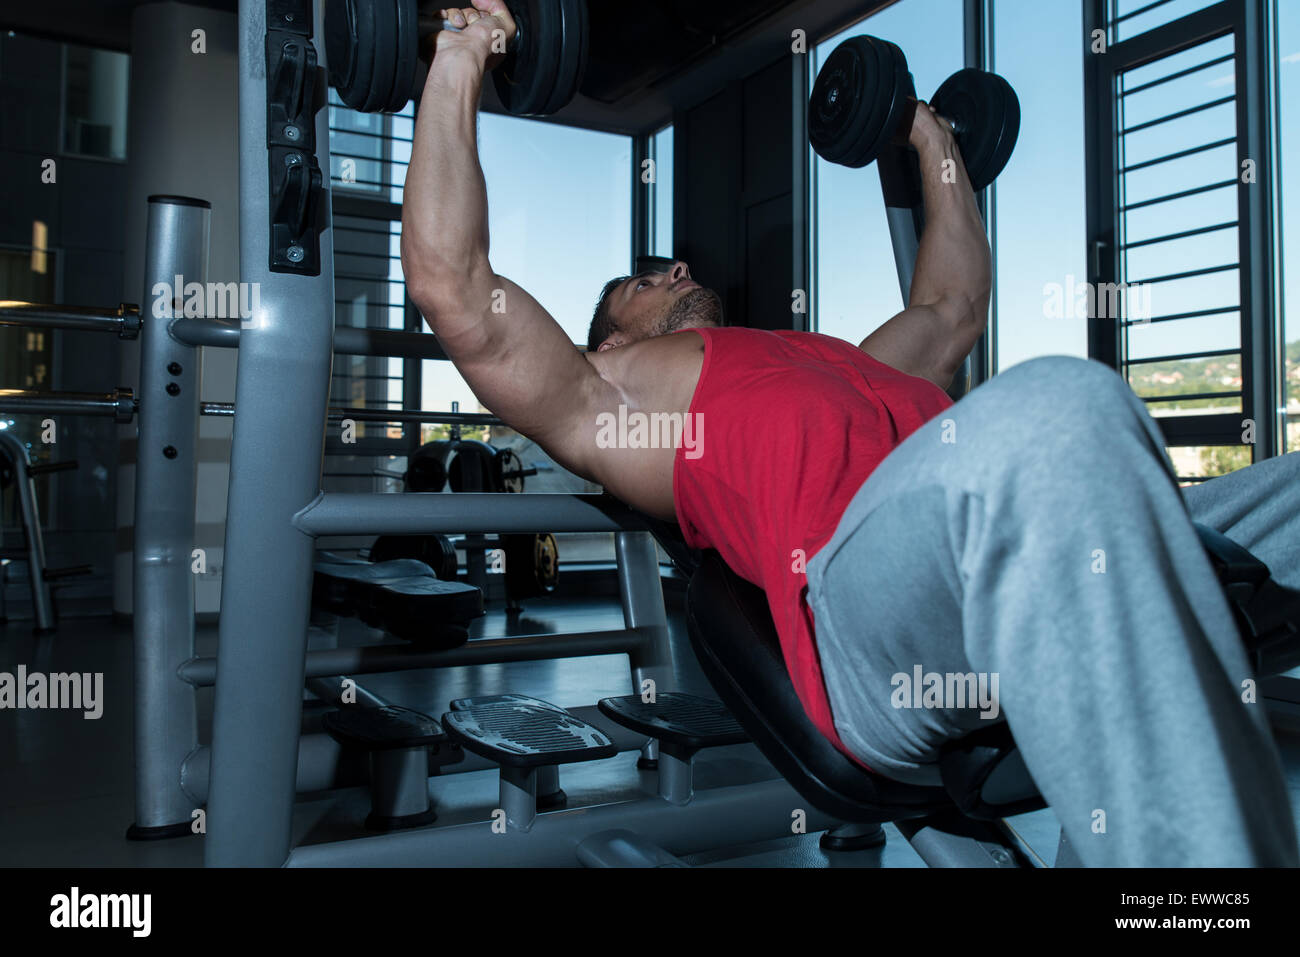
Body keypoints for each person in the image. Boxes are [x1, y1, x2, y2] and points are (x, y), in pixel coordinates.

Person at [402, 2, 1300, 866]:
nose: (676, 266)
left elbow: (951, 307)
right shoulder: (613, 392)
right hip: (861, 617)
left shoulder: (834, 356)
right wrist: (463, 50)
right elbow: (455, 286)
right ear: (608, 337)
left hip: (1007, 550)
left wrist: (926, 135)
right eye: (646, 279)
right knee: (1066, 405)